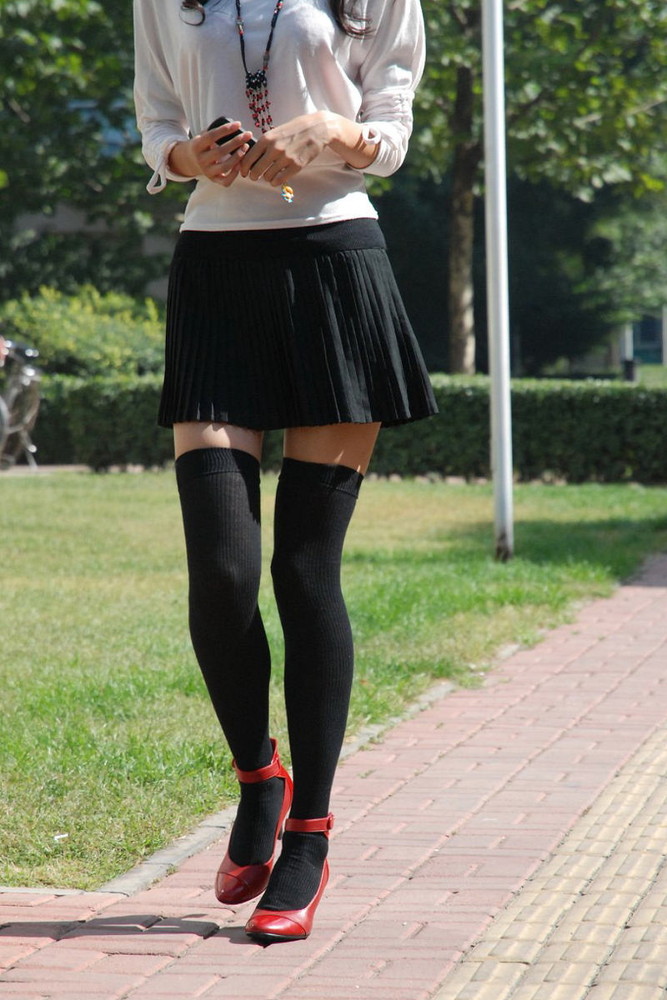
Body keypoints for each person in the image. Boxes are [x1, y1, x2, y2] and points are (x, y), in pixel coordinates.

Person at [133, 0, 437, 945]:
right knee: (222, 571)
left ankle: (309, 833)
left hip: (336, 265)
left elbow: (390, 131)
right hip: (215, 275)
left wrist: (332, 133)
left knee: (305, 572)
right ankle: (260, 776)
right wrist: (191, 157)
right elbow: (154, 124)